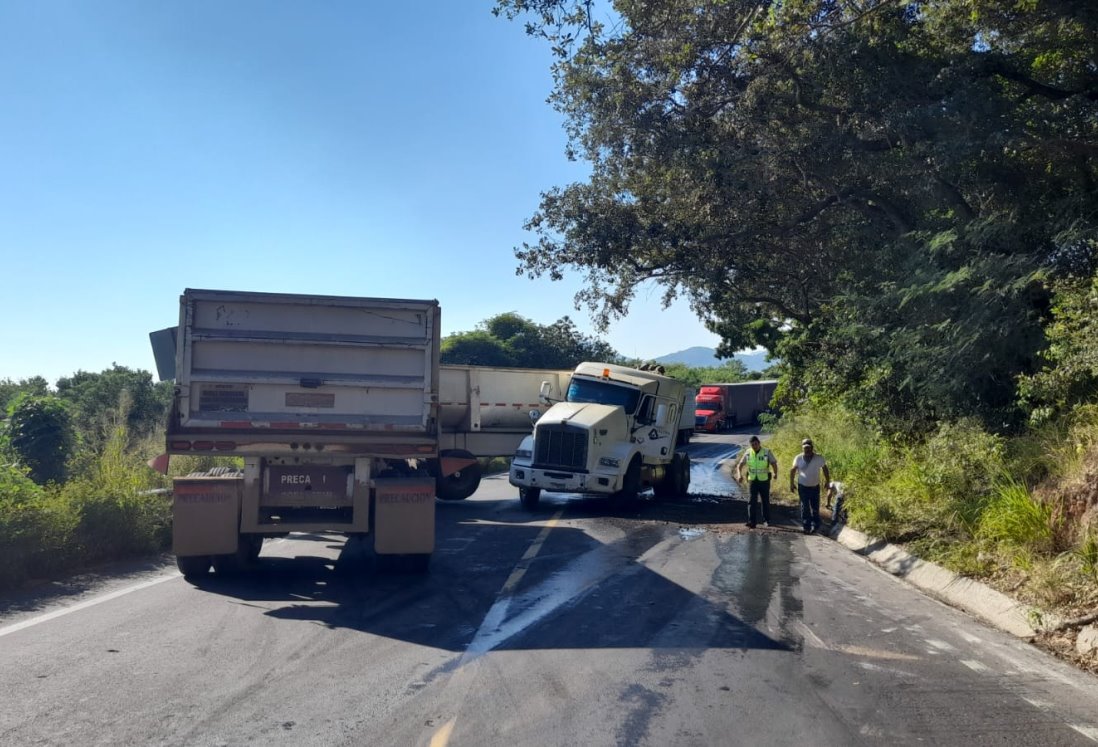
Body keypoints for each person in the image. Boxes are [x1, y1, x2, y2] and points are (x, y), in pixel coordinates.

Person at [789, 438, 832, 534]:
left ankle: (816, 526)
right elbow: (792, 470)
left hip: (815, 487)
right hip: (803, 487)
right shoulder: (798, 458)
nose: (807, 450)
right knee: (805, 507)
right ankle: (806, 527)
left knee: (815, 508)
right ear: (802, 448)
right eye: (805, 448)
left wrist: (827, 481)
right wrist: (791, 484)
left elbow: (825, 468)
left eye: (808, 448)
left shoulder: (818, 458)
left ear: (812, 447)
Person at [735, 435, 778, 528]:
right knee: (751, 501)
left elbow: (774, 463)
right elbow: (740, 465)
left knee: (765, 500)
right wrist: (739, 475)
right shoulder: (748, 453)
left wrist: (775, 473)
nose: (754, 446)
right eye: (752, 445)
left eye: (755, 444)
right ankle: (752, 521)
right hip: (752, 480)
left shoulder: (766, 452)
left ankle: (766, 520)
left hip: (764, 480)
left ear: (759, 443)